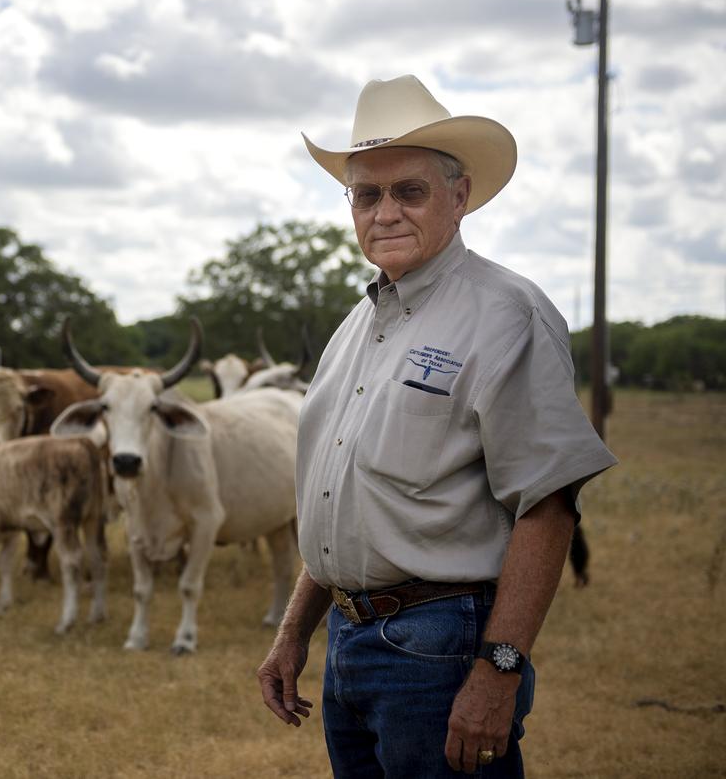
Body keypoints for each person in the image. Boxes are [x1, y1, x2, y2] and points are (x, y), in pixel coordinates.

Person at [256, 75, 617, 777]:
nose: (385, 212)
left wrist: (498, 671)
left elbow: (547, 507)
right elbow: (346, 500)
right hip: (348, 641)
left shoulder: (505, 313)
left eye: (409, 191)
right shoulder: (356, 327)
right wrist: (294, 631)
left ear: (459, 197)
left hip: (440, 650)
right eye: (367, 194)